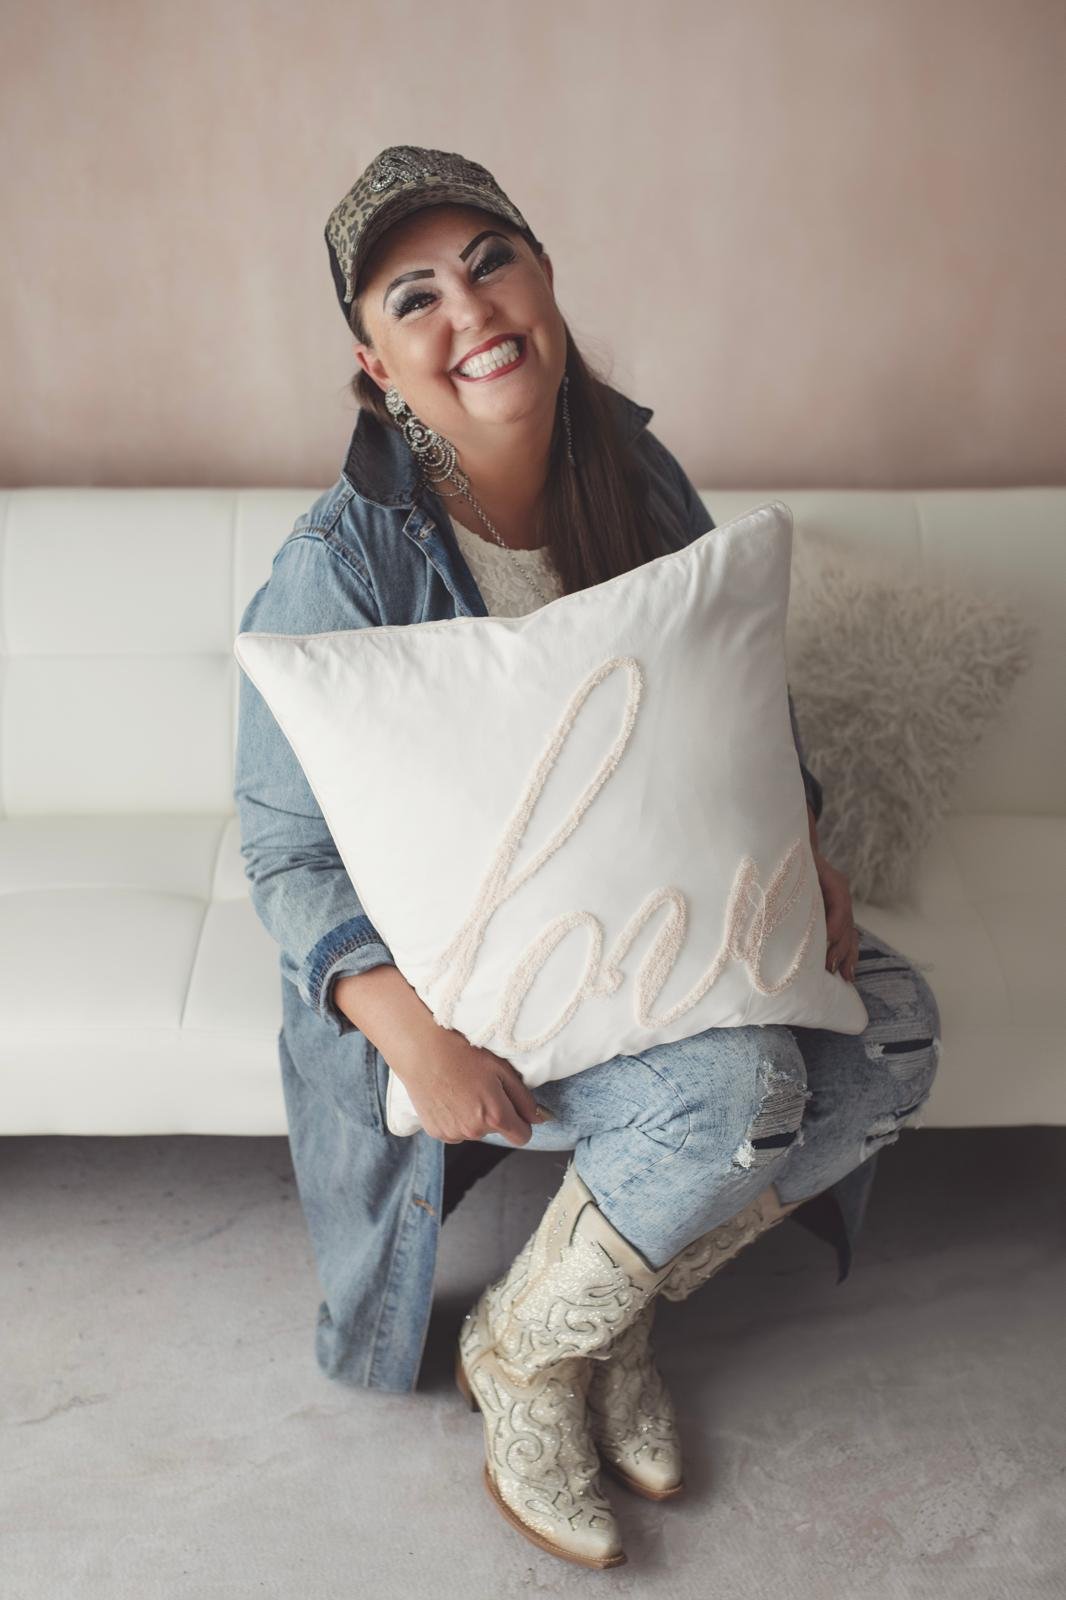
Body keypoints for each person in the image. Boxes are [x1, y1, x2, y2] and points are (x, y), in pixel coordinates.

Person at [233, 145, 942, 1570]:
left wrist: (798, 846)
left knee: (897, 1033)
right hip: (465, 979)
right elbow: (283, 851)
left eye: (492, 262)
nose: (470, 311)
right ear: (373, 364)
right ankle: (518, 1359)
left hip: (664, 914)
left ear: (546, 281)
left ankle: (588, 1322)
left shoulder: (633, 471)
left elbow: (730, 700)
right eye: (412, 294)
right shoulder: (344, 561)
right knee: (743, 1084)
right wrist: (413, 1037)